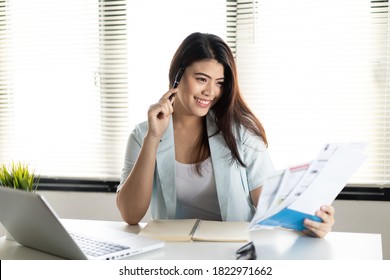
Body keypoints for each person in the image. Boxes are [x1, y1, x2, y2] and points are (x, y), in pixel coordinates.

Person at [116, 32, 335, 238]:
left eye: (219, 83)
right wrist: (153, 139)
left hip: (235, 252)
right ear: (177, 77)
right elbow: (131, 215)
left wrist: (310, 223)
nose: (210, 92)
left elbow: (271, 206)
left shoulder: (241, 133)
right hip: (173, 252)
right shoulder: (143, 134)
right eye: (201, 79)